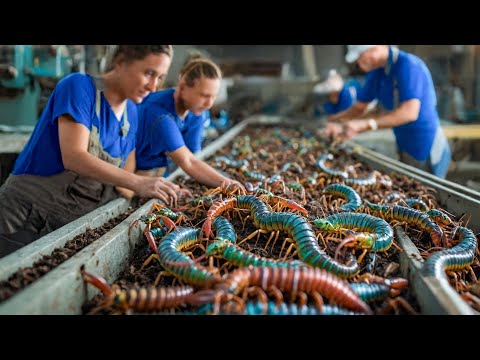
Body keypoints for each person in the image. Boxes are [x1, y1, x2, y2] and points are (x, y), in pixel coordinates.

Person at [0, 45, 188, 258]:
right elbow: (74, 157)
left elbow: (124, 185)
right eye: (149, 73)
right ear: (120, 62)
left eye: (160, 77)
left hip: (66, 228)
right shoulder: (79, 87)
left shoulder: (132, 113)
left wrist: (164, 192)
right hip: (23, 217)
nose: (153, 87)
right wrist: (139, 183)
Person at [325, 45, 451, 178]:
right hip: (403, 142)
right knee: (410, 182)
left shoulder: (408, 65)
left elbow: (409, 113)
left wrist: (364, 125)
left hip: (426, 144)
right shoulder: (377, 73)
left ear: (375, 48)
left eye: (360, 56)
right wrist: (335, 121)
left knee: (429, 191)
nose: (358, 62)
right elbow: (359, 108)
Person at [135, 54, 244, 191]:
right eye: (204, 95)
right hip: (135, 179)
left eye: (213, 97)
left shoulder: (197, 112)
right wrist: (228, 184)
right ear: (182, 87)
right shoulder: (159, 114)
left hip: (164, 174)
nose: (209, 103)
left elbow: (194, 156)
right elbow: (189, 163)